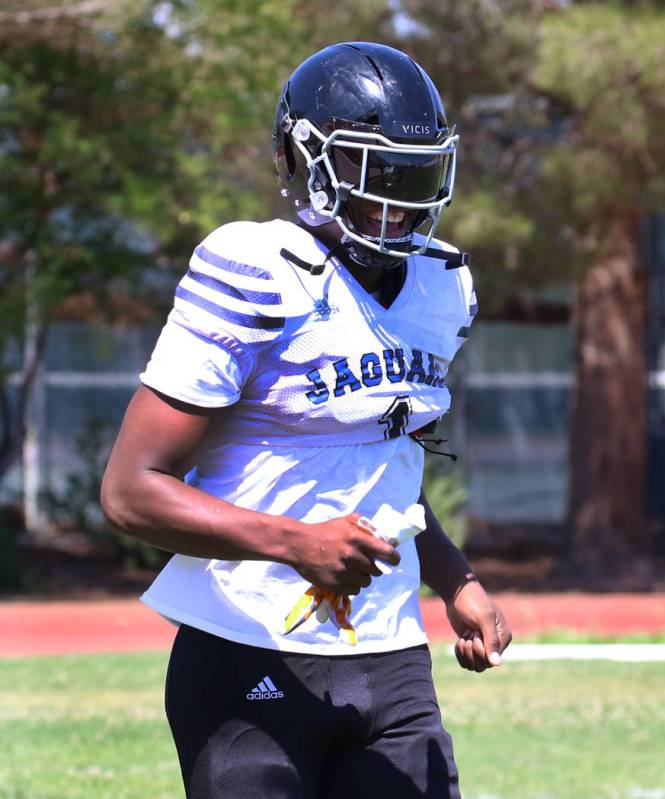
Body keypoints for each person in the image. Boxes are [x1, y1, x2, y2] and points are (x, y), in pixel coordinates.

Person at [101, 41, 512, 799]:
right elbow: (131, 490)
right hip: (249, 646)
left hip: (390, 653)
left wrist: (455, 577)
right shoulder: (255, 267)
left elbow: (385, 457)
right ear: (305, 159)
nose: (397, 199)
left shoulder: (441, 284)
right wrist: (293, 542)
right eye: (371, 171)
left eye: (413, 174)